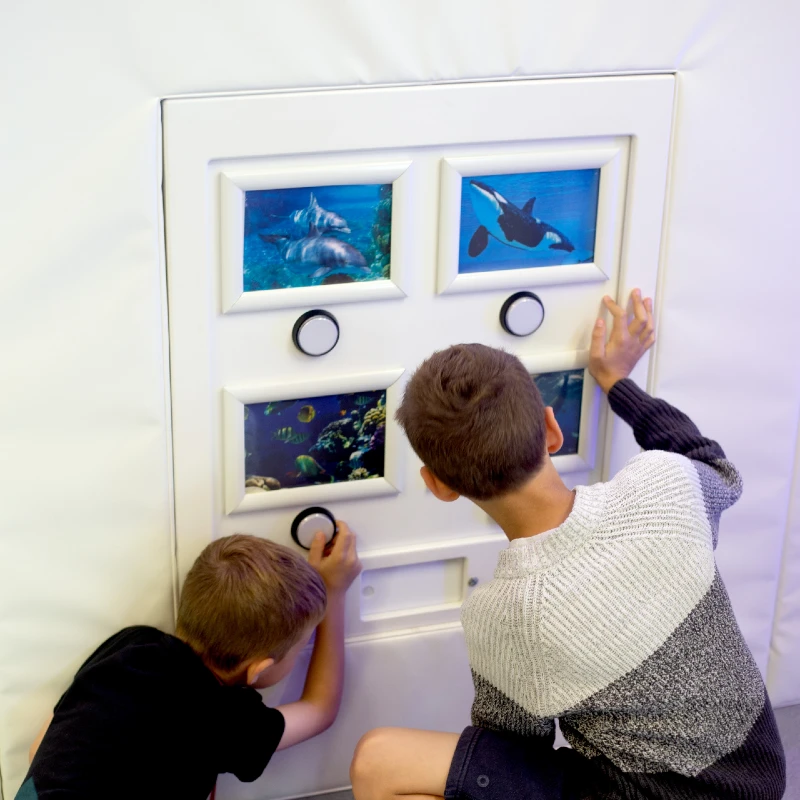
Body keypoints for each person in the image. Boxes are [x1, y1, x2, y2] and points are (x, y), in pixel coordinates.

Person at [350, 291, 786, 800]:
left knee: (377, 761)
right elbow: (711, 463)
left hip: (641, 794)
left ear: (438, 485)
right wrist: (617, 381)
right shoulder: (668, 487)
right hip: (758, 778)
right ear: (552, 430)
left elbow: (515, 749)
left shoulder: (504, 615)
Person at [19, 523, 361, 800]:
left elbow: (42, 746)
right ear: (259, 668)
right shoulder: (225, 718)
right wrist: (334, 593)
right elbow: (320, 709)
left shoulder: (130, 645)